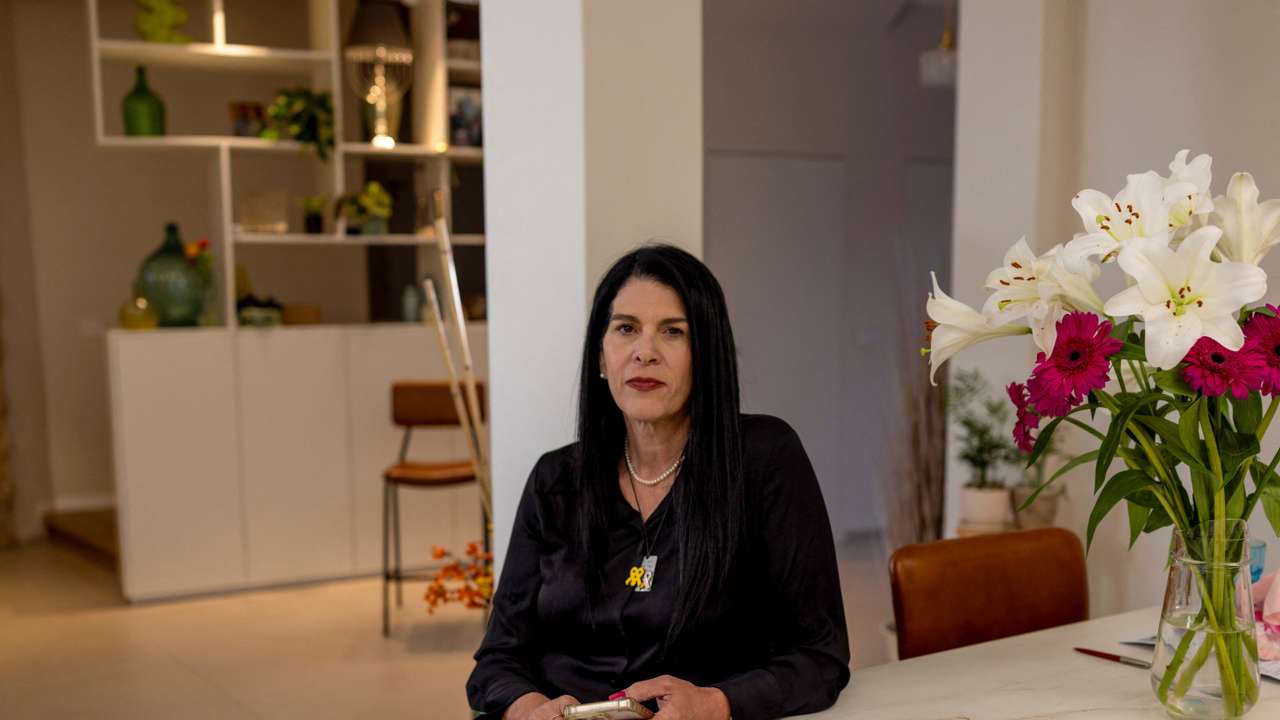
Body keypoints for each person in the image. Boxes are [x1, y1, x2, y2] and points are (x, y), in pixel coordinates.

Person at [467, 245, 849, 720]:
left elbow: (821, 655)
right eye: (626, 329)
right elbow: (497, 659)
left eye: (672, 332)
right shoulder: (555, 479)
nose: (644, 352)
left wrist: (714, 704)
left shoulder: (766, 459)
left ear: (705, 355)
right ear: (602, 357)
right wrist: (530, 711)